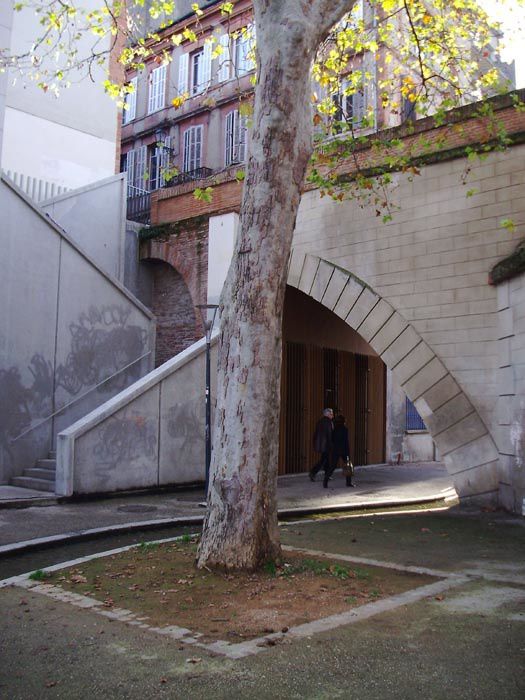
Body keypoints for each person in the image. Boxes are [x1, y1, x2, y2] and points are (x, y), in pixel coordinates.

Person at [324, 414, 355, 488]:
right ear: (343, 421)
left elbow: (332, 440)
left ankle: (325, 482)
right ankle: (348, 483)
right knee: (348, 466)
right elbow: (345, 442)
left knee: (333, 466)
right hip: (344, 450)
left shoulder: (334, 430)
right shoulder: (345, 429)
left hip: (336, 450)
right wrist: (348, 452)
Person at [309, 408, 334, 483]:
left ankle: (327, 475)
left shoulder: (320, 421)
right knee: (324, 460)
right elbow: (330, 435)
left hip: (321, 444)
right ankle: (313, 472)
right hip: (326, 445)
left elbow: (316, 434)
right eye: (331, 414)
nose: (332, 415)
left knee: (326, 460)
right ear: (328, 414)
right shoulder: (329, 422)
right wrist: (332, 444)